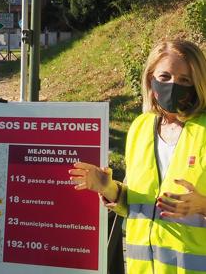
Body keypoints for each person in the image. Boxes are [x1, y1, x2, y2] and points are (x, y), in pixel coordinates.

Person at [69, 39, 206, 274]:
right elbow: (139, 204)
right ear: (151, 79)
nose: (174, 85)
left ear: (198, 84)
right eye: (165, 77)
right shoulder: (140, 128)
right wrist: (109, 188)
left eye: (184, 80)